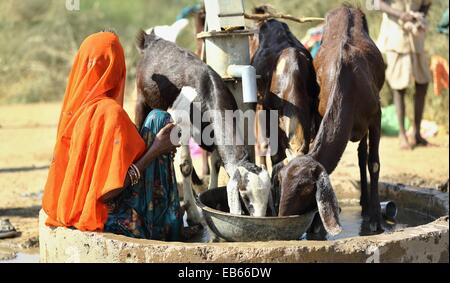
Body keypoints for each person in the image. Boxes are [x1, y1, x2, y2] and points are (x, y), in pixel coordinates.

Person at [42, 31, 184, 241]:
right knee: (159, 119)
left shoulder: (76, 109)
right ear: (115, 67)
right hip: (109, 217)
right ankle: (167, 228)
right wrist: (156, 150)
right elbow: (108, 192)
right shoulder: (110, 113)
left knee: (154, 121)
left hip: (76, 207)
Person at [377, 0, 433, 149]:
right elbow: (377, 3)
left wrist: (420, 15)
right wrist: (400, 14)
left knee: (423, 82)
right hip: (396, 35)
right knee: (399, 86)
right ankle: (402, 135)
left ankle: (417, 133)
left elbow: (427, 3)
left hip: (416, 35)